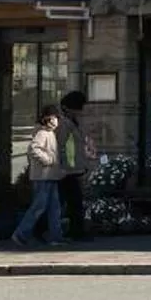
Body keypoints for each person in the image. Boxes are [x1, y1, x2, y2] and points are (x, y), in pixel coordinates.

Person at [10, 109, 65, 247]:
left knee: (54, 208)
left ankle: (56, 237)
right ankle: (20, 234)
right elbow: (33, 149)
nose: (56, 120)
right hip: (43, 176)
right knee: (39, 207)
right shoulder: (42, 133)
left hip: (51, 175)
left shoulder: (50, 133)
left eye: (56, 118)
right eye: (54, 118)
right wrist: (47, 160)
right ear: (47, 119)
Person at [56, 90, 90, 241]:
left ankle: (76, 231)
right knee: (71, 201)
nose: (81, 111)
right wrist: (63, 167)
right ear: (70, 107)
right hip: (66, 170)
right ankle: (76, 232)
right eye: (79, 108)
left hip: (73, 168)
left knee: (71, 201)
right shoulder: (63, 123)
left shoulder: (72, 121)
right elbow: (61, 146)